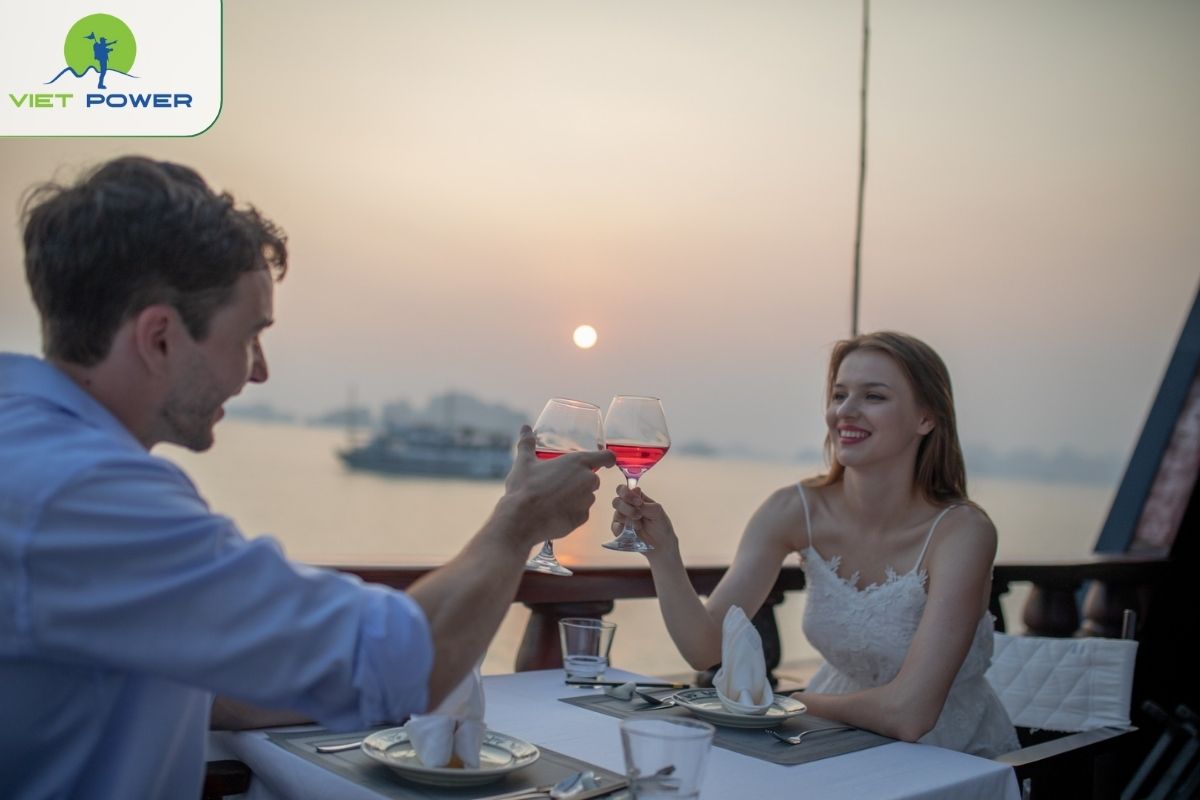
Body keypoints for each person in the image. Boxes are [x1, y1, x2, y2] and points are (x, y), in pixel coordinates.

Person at [0, 156, 615, 798]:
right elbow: (401, 662)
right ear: (159, 337)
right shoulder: (87, 498)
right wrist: (519, 522)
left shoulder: (29, 449)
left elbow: (214, 687)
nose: (258, 371)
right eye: (249, 336)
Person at [612, 331, 1019, 756]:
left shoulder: (962, 532)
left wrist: (779, 704)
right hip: (824, 734)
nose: (845, 411)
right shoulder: (792, 509)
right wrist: (662, 553)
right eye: (839, 394)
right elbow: (704, 647)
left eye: (873, 397)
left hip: (945, 751)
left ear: (926, 418)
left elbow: (910, 714)